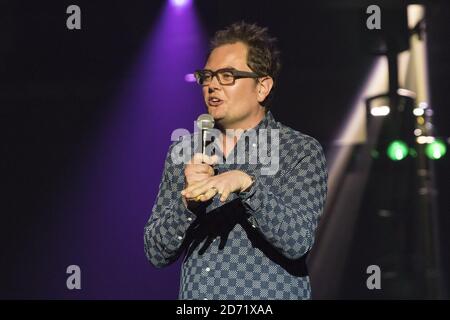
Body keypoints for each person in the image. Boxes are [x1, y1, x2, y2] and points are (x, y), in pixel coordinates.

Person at [144, 21, 327, 300]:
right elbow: (155, 252)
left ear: (262, 87)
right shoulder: (185, 152)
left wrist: (247, 185)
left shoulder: (298, 150)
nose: (212, 85)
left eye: (227, 75)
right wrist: (187, 205)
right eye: (207, 76)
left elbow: (297, 241)